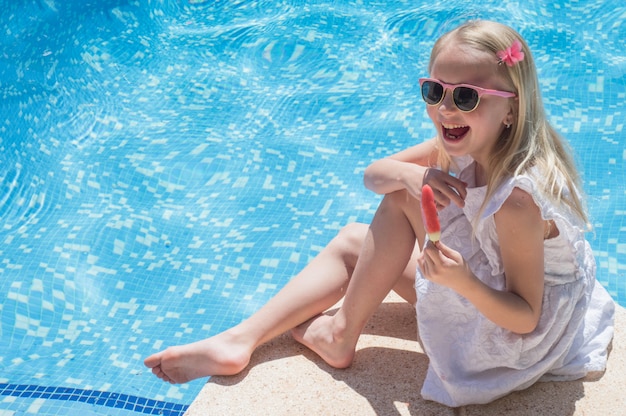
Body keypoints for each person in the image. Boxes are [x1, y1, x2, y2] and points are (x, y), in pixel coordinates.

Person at [144, 20, 615, 406]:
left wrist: (464, 283)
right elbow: (373, 175)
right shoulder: (463, 144)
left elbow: (526, 318)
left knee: (382, 217)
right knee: (370, 222)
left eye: (466, 96)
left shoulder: (517, 200)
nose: (446, 110)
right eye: (434, 91)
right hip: (487, 291)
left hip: (515, 341)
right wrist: (413, 177)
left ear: (511, 109)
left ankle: (338, 334)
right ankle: (240, 341)